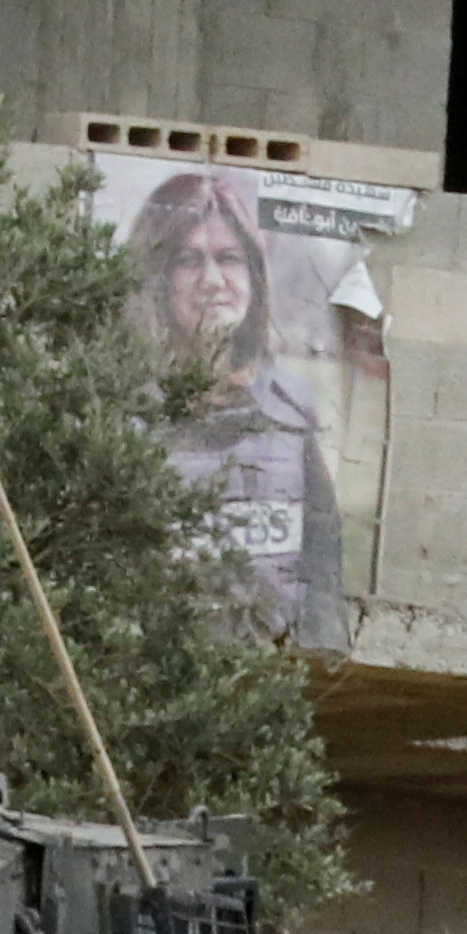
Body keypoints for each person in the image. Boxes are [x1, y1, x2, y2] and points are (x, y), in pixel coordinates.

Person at [126, 171, 348, 651]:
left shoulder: (293, 408)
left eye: (229, 258)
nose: (213, 281)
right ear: (158, 279)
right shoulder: (124, 413)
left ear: (253, 273)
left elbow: (321, 564)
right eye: (188, 261)